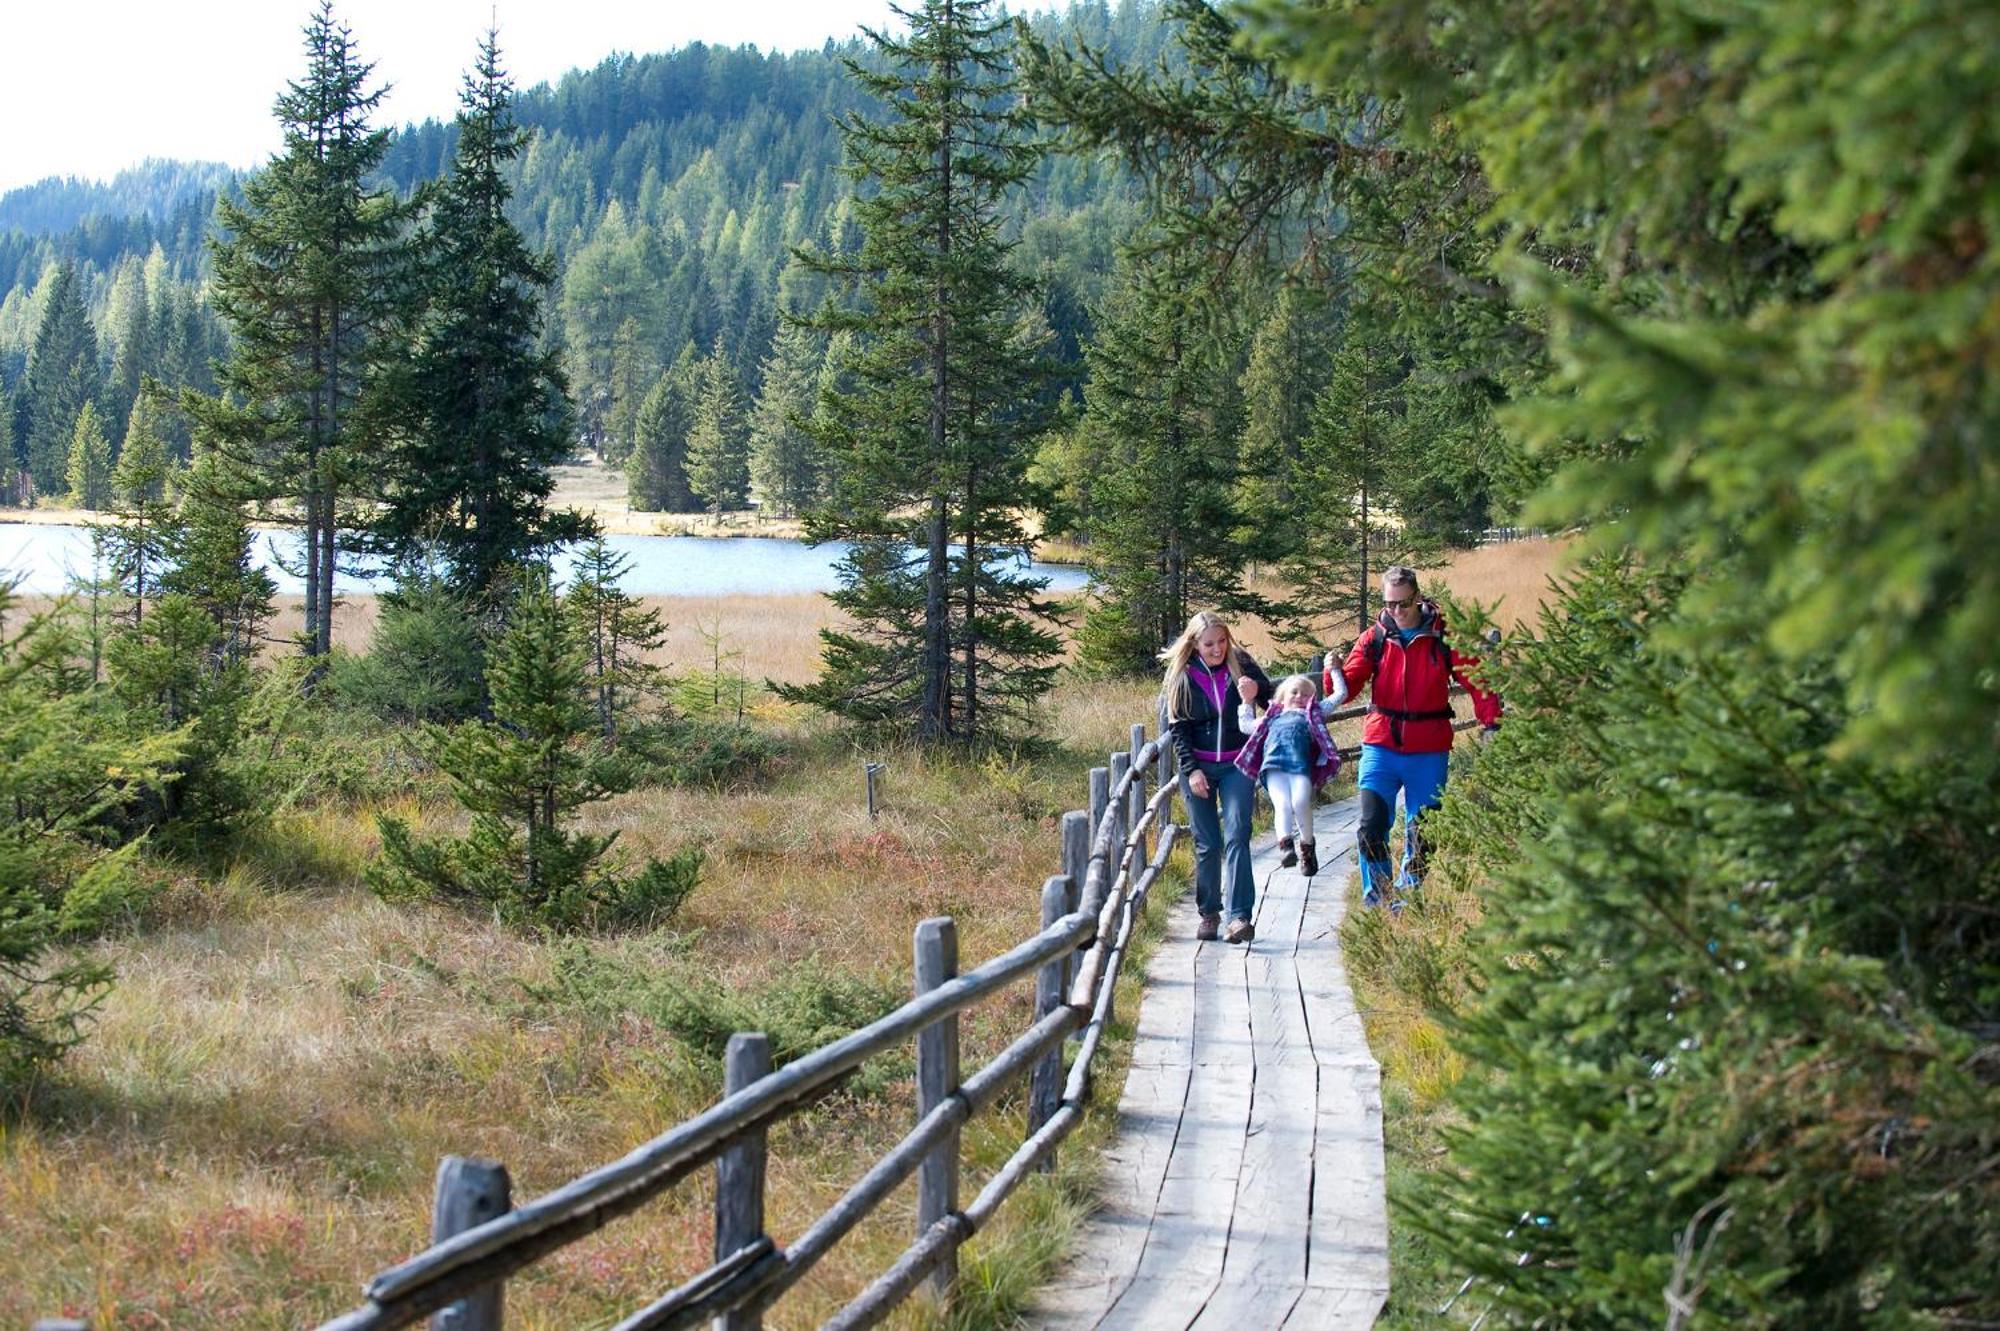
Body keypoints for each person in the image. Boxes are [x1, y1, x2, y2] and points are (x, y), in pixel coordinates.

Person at [1325, 566, 1501, 908]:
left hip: (1429, 748)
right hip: (1381, 745)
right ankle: (1378, 899)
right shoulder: (1374, 638)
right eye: (1389, 604)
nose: (1396, 611)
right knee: (1371, 824)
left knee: (1424, 833)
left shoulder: (1444, 635)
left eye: (1402, 604)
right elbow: (1346, 691)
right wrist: (1333, 673)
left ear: (1418, 598)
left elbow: (1477, 681)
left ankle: (1407, 898)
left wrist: (1491, 723)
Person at [1160, 611, 1272, 943]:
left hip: (1238, 764)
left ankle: (1240, 918)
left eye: (1222, 641)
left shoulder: (1241, 663)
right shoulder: (1181, 676)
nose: (1217, 649)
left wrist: (1256, 692)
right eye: (1209, 644)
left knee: (1238, 833)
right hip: (1199, 768)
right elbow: (1177, 730)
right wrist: (1191, 769)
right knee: (1208, 843)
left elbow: (1270, 701)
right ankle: (1210, 913)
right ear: (1194, 643)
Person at [1233, 674, 1342, 876]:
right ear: (1282, 697)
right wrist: (1246, 701)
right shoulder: (1271, 717)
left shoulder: (1313, 714)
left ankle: (1307, 846)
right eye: (1294, 692)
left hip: (1300, 766)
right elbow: (1245, 725)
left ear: (1313, 699)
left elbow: (1339, 695)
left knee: (1300, 802)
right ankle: (1285, 847)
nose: (1299, 696)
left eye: (1306, 694)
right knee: (1282, 804)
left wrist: (1333, 670)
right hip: (1273, 767)